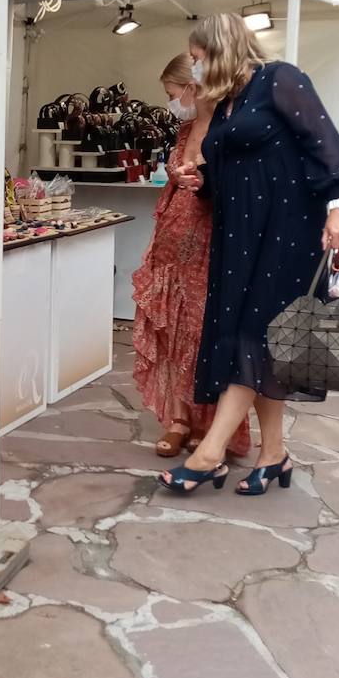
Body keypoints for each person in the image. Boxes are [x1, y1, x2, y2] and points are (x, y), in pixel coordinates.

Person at [163, 13, 339, 498]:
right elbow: (232, 172)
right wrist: (201, 181)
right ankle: (274, 454)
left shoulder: (280, 79)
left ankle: (208, 455)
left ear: (220, 49)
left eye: (198, 58)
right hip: (239, 237)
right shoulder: (228, 104)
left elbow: (324, 142)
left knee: (253, 333)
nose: (195, 68)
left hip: (287, 232)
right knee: (256, 341)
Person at [132, 53, 251, 462]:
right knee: (169, 330)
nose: (170, 101)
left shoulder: (229, 127)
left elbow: (238, 187)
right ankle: (178, 419)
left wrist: (204, 180)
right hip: (170, 237)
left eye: (171, 93)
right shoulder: (184, 129)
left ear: (191, 87)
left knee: (202, 332)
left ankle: (210, 424)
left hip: (208, 240)